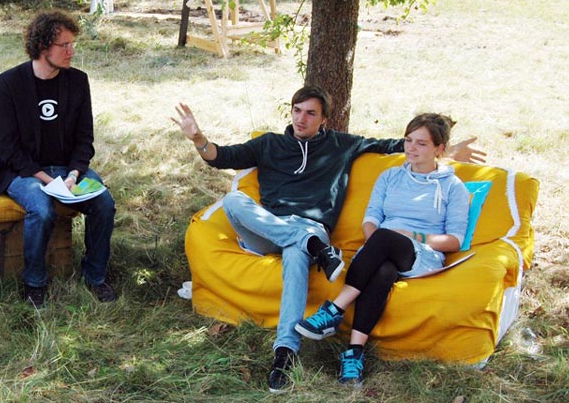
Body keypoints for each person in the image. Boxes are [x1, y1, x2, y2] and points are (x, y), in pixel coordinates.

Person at [172, 87, 484, 393]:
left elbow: (392, 146)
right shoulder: (269, 144)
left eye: (310, 113)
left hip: (312, 229)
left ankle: (285, 353)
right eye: (297, 110)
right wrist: (198, 139)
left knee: (297, 253)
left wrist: (449, 153)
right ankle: (314, 248)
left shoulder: (341, 145)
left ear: (324, 120)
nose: (301, 119)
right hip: (270, 229)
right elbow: (222, 156)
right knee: (233, 201)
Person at [294, 113, 470, 386]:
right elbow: (371, 219)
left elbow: (454, 240)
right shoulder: (390, 177)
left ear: (440, 149)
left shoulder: (452, 187)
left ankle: (334, 310)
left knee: (387, 238)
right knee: (383, 270)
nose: (411, 148)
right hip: (383, 249)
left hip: (422, 255)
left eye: (421, 144)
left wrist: (410, 235)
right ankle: (354, 354)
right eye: (408, 140)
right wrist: (376, 242)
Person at [0, 10, 116, 308]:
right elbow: (9, 147)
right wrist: (47, 180)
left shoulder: (78, 81)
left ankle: (95, 276)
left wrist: (72, 176)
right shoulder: (7, 85)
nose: (71, 51)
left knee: (104, 204)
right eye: (64, 46)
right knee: (41, 210)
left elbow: (85, 139)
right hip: (22, 171)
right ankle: (34, 283)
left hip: (67, 170)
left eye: (72, 44)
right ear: (43, 48)